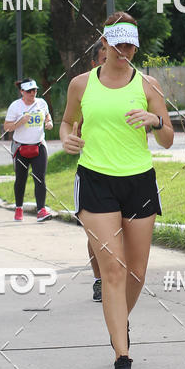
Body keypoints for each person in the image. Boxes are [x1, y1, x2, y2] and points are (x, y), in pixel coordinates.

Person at [60, 12, 174, 369]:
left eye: (131, 45)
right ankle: (121, 355)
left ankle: (119, 318)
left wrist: (155, 121)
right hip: (95, 180)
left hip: (139, 181)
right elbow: (66, 121)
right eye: (118, 44)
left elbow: (169, 136)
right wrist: (67, 138)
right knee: (112, 269)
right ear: (104, 45)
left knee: (136, 271)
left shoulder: (148, 85)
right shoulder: (81, 84)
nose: (124, 51)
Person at [3, 78, 54, 222]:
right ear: (22, 92)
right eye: (29, 91)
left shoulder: (41, 103)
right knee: (21, 179)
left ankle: (41, 210)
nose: (33, 93)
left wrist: (48, 122)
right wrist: (20, 122)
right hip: (21, 147)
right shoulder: (15, 106)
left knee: (40, 178)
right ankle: (19, 207)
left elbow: (47, 115)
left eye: (35, 90)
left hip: (38, 146)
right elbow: (7, 127)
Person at [87, 40, 107, 302]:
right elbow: (69, 124)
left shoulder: (138, 85)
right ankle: (100, 278)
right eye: (104, 58)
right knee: (96, 235)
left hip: (131, 172)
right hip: (94, 172)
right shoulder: (84, 88)